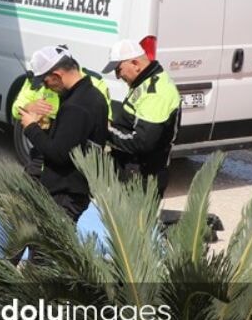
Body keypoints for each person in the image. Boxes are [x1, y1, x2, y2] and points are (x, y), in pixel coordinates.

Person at [18, 45, 110, 221]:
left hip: (65, 194)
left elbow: (59, 153)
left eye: (46, 82)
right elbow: (74, 138)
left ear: (57, 76)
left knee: (47, 248)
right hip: (75, 188)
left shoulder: (76, 106)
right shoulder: (93, 95)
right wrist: (51, 127)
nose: (47, 87)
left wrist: (31, 128)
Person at [103, 39, 181, 196]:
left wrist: (107, 130)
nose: (118, 76)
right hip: (133, 173)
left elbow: (141, 142)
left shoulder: (155, 93)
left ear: (135, 64)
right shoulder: (144, 82)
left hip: (143, 179)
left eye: (118, 69)